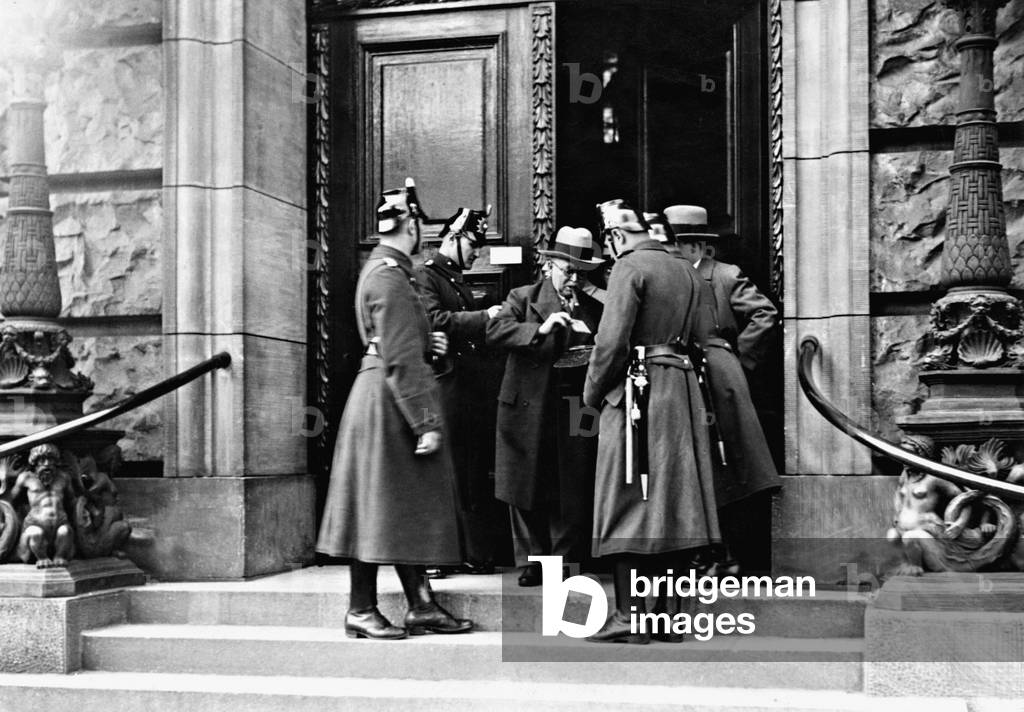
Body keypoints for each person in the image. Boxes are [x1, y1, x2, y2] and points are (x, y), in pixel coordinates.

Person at [316, 179, 473, 640]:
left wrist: (432, 340)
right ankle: (361, 608)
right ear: (412, 223)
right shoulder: (391, 274)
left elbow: (406, 340)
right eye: (421, 222)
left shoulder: (388, 270)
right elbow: (402, 354)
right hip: (391, 398)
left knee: (399, 502)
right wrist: (426, 420)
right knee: (377, 504)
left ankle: (421, 604)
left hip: (384, 394)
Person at [584, 204, 720, 644]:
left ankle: (629, 617)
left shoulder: (629, 268)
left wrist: (593, 394)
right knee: (675, 504)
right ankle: (667, 618)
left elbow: (609, 343)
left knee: (624, 498)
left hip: (639, 394)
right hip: (682, 393)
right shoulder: (686, 271)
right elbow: (704, 337)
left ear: (615, 238)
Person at [663, 205, 782, 574]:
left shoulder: (726, 275)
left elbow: (765, 314)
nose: (672, 253)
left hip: (720, 381)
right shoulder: (675, 277)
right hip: (685, 379)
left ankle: (728, 556)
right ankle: (705, 552)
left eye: (677, 246)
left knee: (727, 465)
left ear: (696, 246)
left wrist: (739, 360)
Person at [486, 226, 604, 586]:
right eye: (567, 270)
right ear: (549, 265)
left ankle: (567, 560)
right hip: (528, 404)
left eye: (580, 273)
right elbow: (494, 331)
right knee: (526, 486)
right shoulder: (522, 297)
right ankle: (538, 560)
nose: (573, 279)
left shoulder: (594, 306)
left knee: (576, 483)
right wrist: (539, 329)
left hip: (575, 406)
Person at [416, 206, 502, 575]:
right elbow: (432, 320)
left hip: (466, 386)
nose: (476, 255)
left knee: (467, 469)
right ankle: (437, 556)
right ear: (454, 237)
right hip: (445, 384)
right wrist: (485, 317)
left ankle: (468, 550)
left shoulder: (454, 277)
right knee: (446, 470)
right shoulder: (426, 275)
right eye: (473, 245)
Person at [13, 443, 75, 568]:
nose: (46, 464)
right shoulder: (26, 478)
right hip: (35, 523)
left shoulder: (64, 477)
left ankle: (59, 556)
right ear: (34, 462)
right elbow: (11, 499)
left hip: (60, 522)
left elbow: (72, 500)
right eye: (42, 460)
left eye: (50, 460)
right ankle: (42, 557)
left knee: (65, 531)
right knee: (35, 533)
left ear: (56, 461)